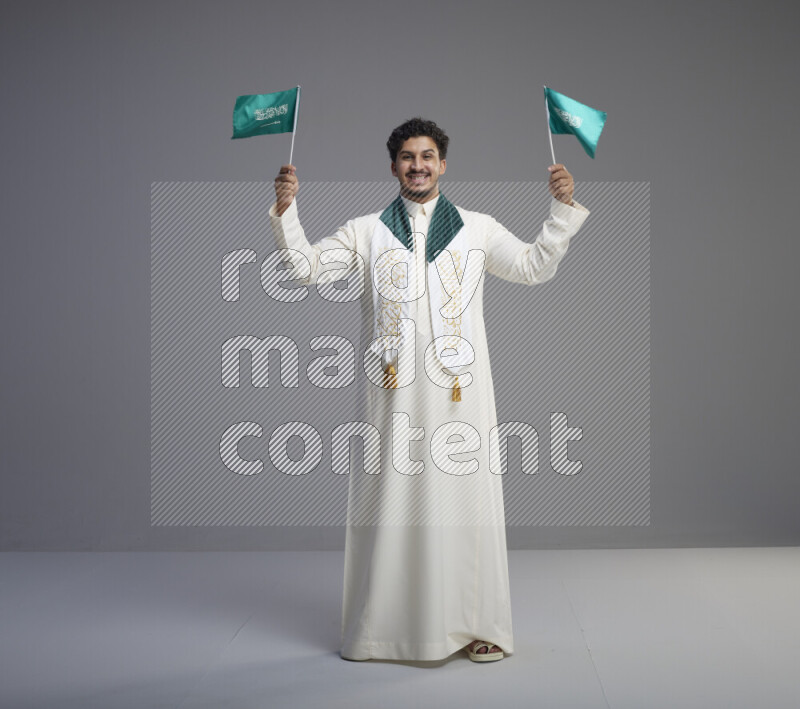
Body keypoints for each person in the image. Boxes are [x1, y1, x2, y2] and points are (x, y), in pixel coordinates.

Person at [270, 117, 590, 662]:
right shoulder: (366, 230)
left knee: (466, 505)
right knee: (391, 503)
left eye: (427, 156)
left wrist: (561, 211)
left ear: (443, 164)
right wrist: (286, 210)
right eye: (406, 157)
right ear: (393, 166)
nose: (417, 166)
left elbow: (534, 267)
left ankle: (477, 626)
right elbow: (303, 269)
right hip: (392, 394)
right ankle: (384, 630)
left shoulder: (477, 228)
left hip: (461, 395)